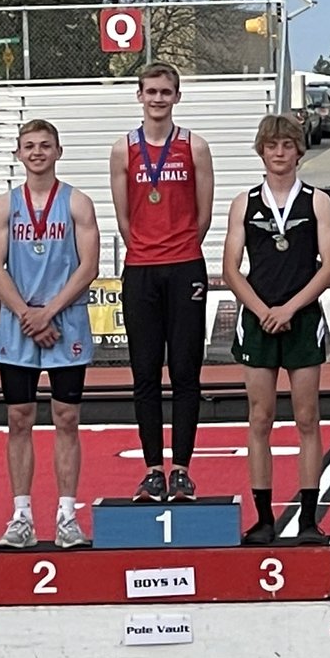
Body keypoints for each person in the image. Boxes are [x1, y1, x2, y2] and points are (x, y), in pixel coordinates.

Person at [222, 113, 330, 546]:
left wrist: (289, 308)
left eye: (287, 145)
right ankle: (264, 518)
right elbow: (231, 269)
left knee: (307, 418)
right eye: (271, 146)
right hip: (257, 319)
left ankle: (309, 517)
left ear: (298, 151)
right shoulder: (244, 202)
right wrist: (263, 310)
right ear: (261, 151)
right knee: (260, 418)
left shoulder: (317, 202)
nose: (279, 153)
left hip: (302, 317)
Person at [0, 120, 101, 550]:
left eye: (45, 145)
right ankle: (21, 515)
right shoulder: (5, 206)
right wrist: (26, 314)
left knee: (66, 419)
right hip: (18, 324)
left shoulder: (77, 202)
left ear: (58, 151)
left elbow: (88, 266)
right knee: (19, 419)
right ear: (18, 153)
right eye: (29, 146)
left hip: (65, 319)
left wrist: (48, 312)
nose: (37, 152)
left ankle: (67, 514)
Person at [109, 61, 214, 502]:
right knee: (145, 373)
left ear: (177, 96)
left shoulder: (195, 146)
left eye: (165, 92)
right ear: (139, 95)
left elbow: (204, 212)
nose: (157, 99)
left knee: (186, 373)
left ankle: (183, 470)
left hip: (186, 264)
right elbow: (123, 217)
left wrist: (180, 246)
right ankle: (154, 468)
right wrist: (148, 250)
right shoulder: (122, 149)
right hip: (141, 269)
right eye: (150, 91)